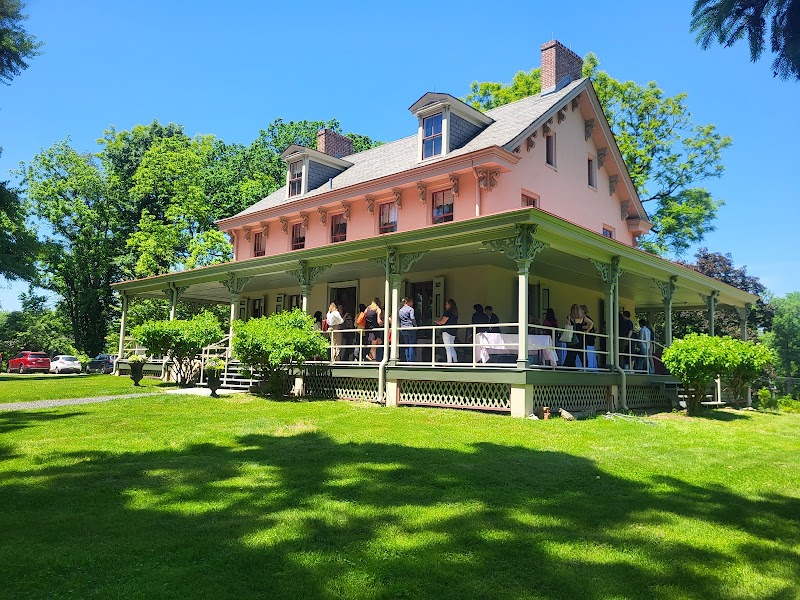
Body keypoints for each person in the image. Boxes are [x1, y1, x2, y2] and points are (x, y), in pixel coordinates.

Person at [563, 304, 593, 369]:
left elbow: (567, 326)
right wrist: (586, 331)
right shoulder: (583, 317)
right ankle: (585, 367)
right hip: (581, 337)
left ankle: (570, 367)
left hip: (573, 337)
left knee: (571, 353)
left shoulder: (570, 317)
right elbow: (591, 324)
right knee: (582, 353)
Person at [436, 298, 459, 363]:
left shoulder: (448, 312)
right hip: (453, 332)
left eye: (446, 304)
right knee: (451, 347)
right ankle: (455, 361)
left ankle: (449, 362)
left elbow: (443, 322)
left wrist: (438, 322)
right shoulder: (455, 312)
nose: (445, 305)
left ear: (449, 304)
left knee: (448, 347)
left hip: (447, 331)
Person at [398, 297, 417, 362]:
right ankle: (411, 361)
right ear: (408, 302)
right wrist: (415, 326)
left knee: (406, 344)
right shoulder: (410, 309)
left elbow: (400, 319)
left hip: (403, 329)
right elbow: (412, 318)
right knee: (411, 344)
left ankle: (407, 359)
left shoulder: (400, 310)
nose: (412, 303)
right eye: (411, 302)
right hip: (410, 328)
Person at [579, 305, 598, 370]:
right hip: (584, 338)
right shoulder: (580, 317)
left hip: (587, 338)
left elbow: (591, 325)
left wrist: (582, 328)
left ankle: (586, 366)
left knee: (583, 352)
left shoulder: (586, 318)